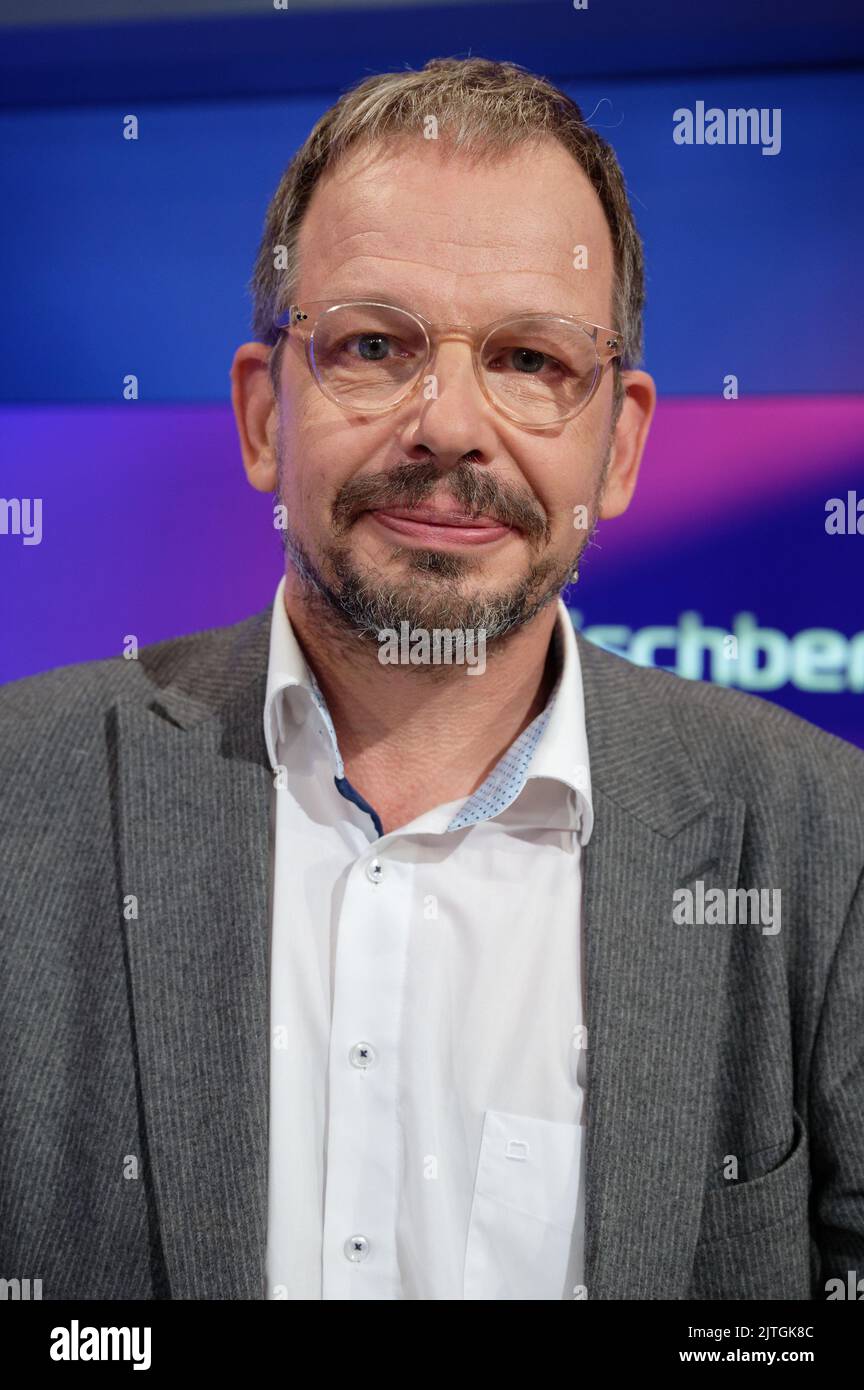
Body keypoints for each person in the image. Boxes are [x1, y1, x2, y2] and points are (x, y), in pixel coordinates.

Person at [1, 57, 862, 1302]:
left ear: (617, 445)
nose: (448, 424)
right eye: (371, 344)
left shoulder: (823, 845)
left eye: (527, 358)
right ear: (261, 419)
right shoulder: (24, 799)